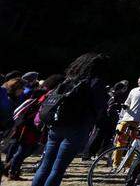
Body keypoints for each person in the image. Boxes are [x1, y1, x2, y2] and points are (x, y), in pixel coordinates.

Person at [30, 52, 111, 186]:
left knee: (45, 165)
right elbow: (100, 107)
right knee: (58, 169)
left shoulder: (69, 79)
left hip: (56, 125)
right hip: (77, 128)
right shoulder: (97, 83)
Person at [6, 74, 61, 181]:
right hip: (28, 126)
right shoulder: (43, 93)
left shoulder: (44, 92)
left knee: (29, 149)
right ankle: (12, 171)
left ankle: (10, 167)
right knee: (24, 149)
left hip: (33, 126)